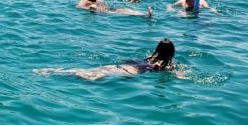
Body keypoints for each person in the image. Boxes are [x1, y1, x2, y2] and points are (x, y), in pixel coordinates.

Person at [35, 38, 183, 81]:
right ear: (172, 52)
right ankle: (56, 73)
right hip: (129, 72)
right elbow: (179, 75)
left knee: (91, 71)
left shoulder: (148, 57)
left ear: (157, 48)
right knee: (93, 77)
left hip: (119, 66)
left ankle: (53, 71)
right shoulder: (166, 66)